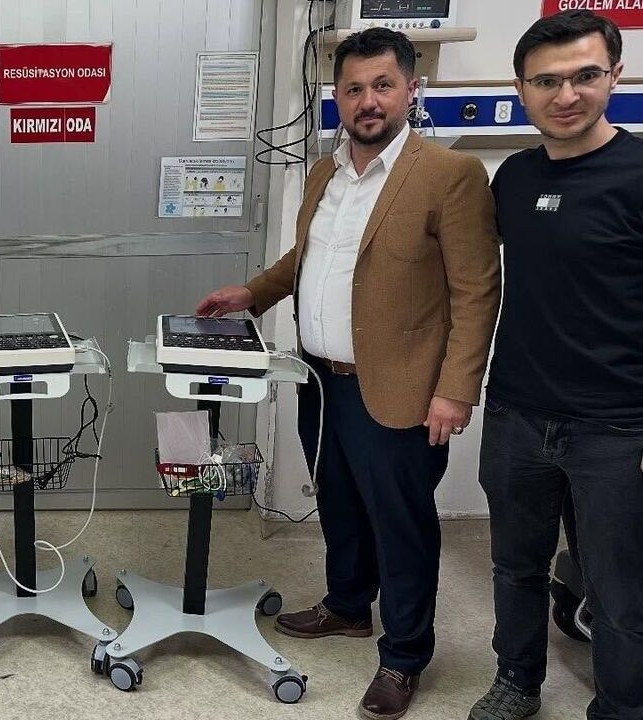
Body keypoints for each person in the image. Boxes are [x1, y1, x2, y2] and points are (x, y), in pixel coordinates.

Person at [196, 27, 500, 720]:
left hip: (399, 386)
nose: (369, 101)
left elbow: (477, 292)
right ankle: (348, 605)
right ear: (337, 96)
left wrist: (456, 390)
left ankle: (405, 655)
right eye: (355, 88)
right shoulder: (325, 172)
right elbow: (307, 259)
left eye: (383, 86)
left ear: (411, 90)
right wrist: (252, 293)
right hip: (321, 380)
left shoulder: (448, 176)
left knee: (401, 523)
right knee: (337, 500)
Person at [470, 11, 643, 720]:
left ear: (615, 76)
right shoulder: (513, 177)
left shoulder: (638, 174)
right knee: (515, 566)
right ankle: (518, 681)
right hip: (517, 411)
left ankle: (623, 707)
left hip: (618, 427)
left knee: (620, 587)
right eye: (547, 81)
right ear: (521, 89)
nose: (566, 95)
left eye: (584, 76)